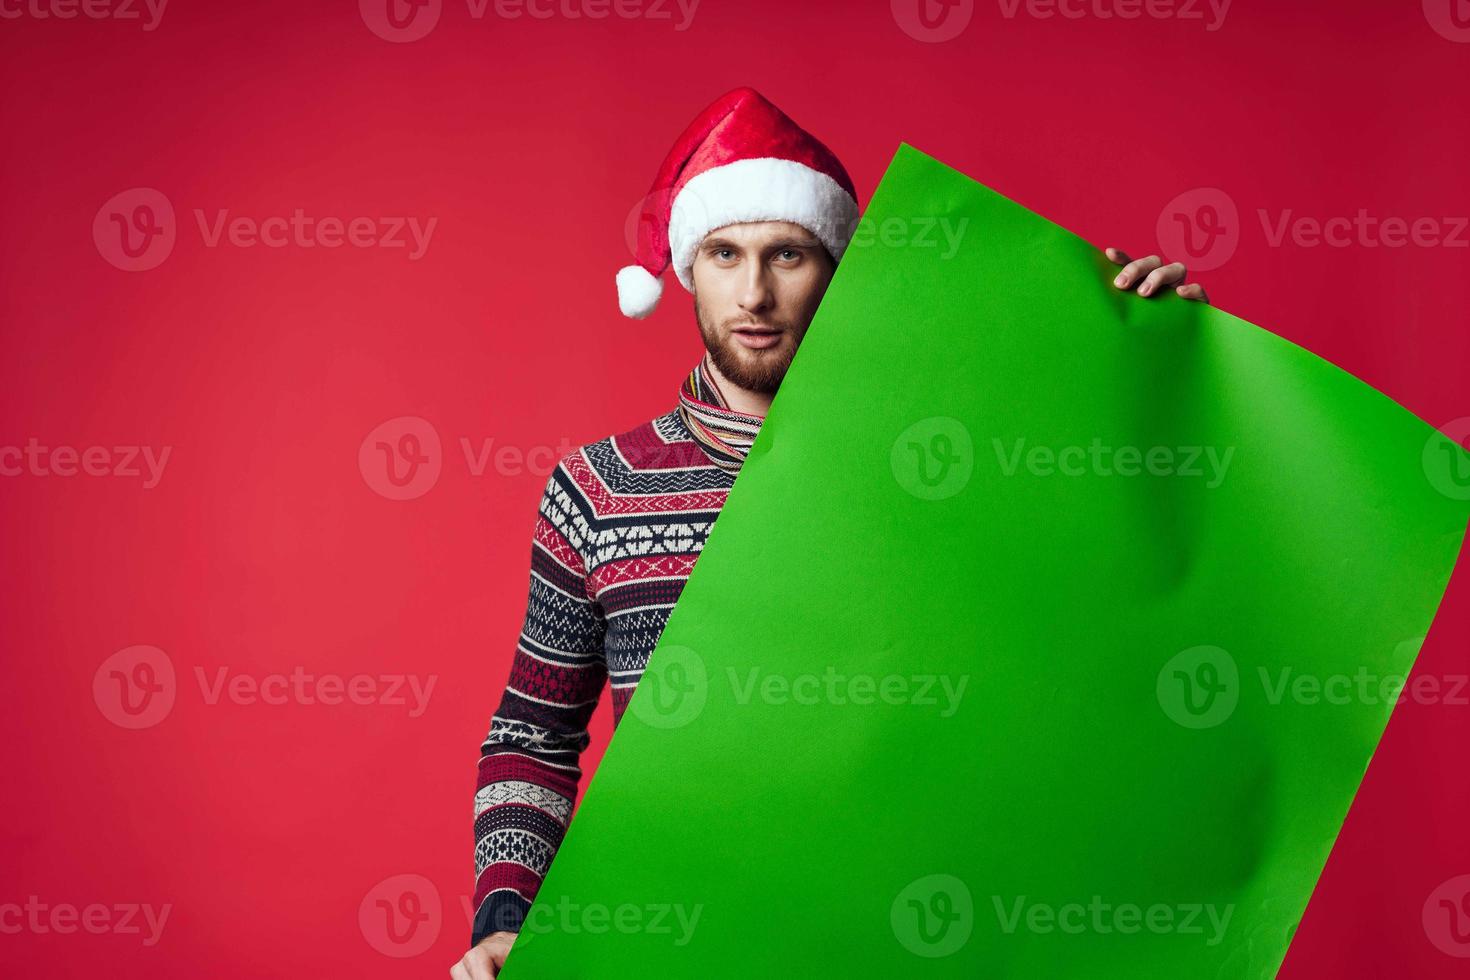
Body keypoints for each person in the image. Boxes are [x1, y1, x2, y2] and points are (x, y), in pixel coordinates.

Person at [451, 85, 1208, 980]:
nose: (756, 293)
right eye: (726, 254)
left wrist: (1153, 356)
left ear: (835, 268)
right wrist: (506, 913)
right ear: (690, 268)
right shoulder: (598, 488)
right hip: (679, 937)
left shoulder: (934, 469)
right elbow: (532, 737)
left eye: (790, 254)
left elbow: (1097, 609)